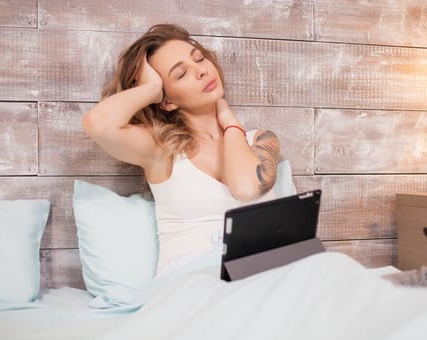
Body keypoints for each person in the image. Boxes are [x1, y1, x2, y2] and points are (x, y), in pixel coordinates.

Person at [83, 24, 281, 275]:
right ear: (167, 101)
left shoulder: (260, 140)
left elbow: (246, 188)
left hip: (259, 275)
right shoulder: (161, 150)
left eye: (199, 58)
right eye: (180, 74)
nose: (201, 71)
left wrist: (231, 124)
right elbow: (97, 124)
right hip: (194, 280)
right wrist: (150, 89)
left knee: (332, 265)